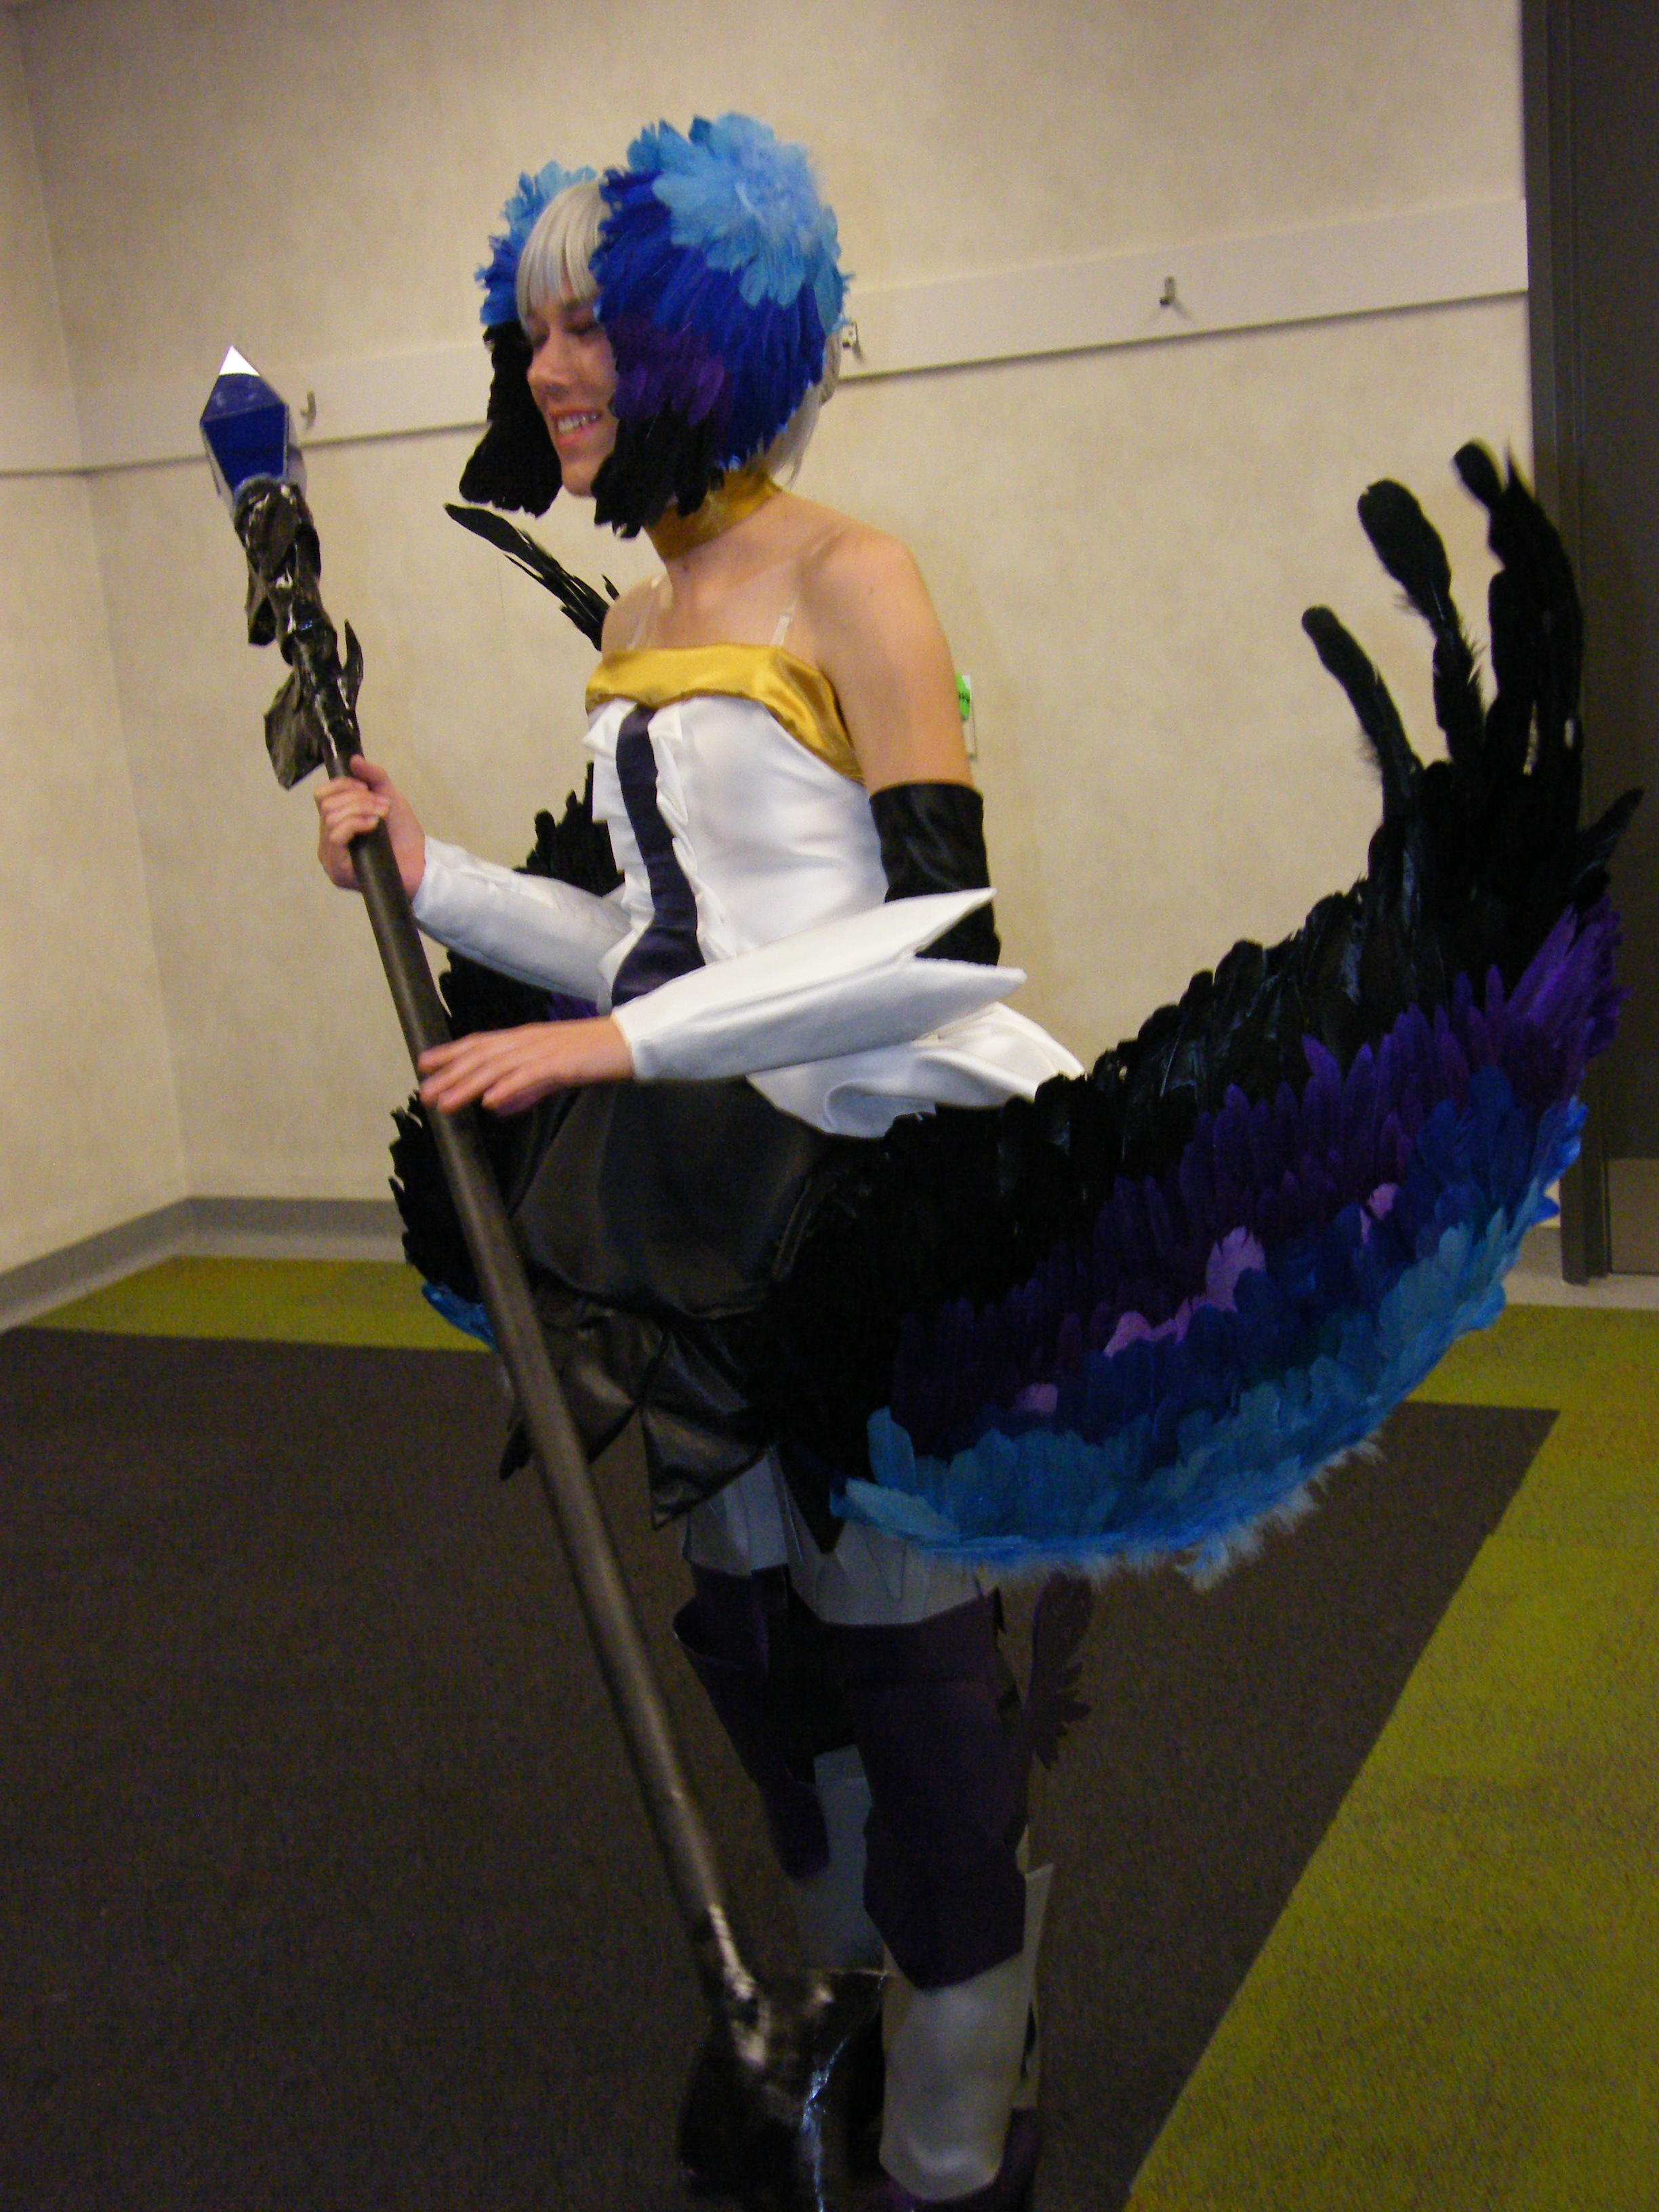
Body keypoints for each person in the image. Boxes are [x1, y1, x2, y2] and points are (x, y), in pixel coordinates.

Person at [315, 118, 1080, 2211]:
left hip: (866, 1210)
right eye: (534, 330)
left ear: (708, 336)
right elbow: (667, 947)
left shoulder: (857, 577)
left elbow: (934, 950)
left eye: (593, 327)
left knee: (913, 1677)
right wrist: (439, 875)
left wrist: (618, 1045)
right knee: (761, 1653)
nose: (550, 369)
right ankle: (846, 1998)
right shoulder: (648, 609)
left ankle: (962, 2109)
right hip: (690, 1225)